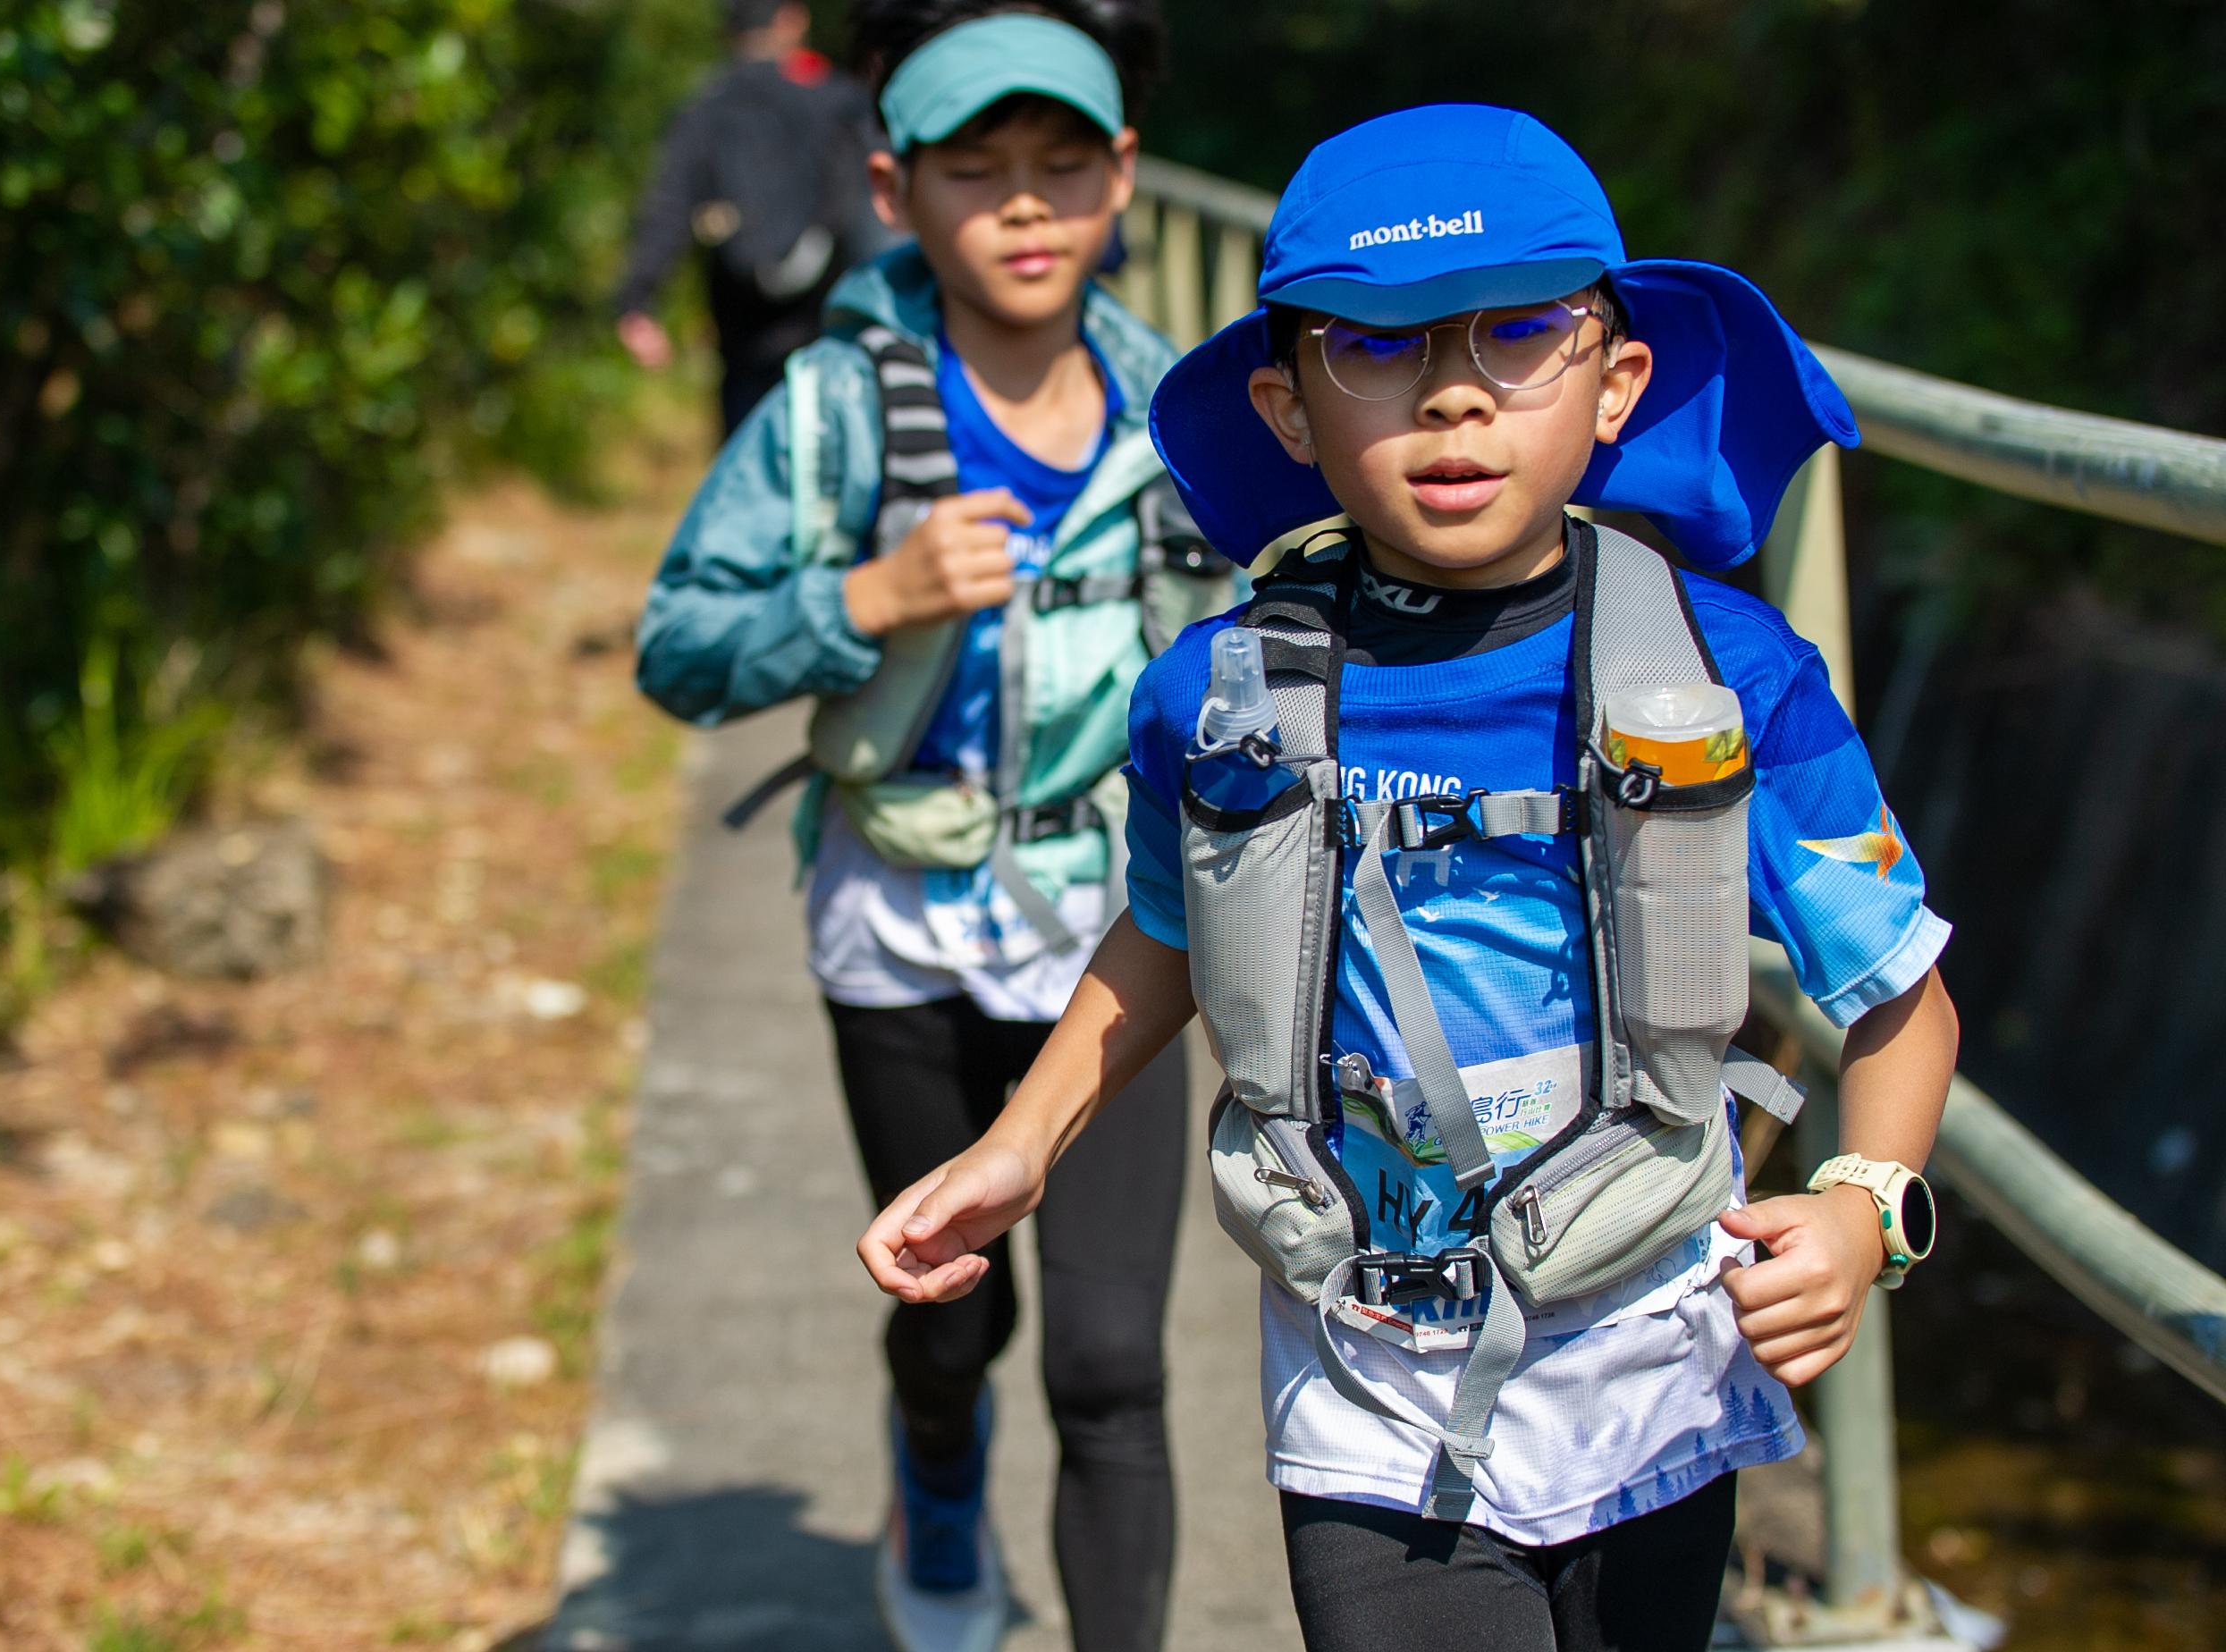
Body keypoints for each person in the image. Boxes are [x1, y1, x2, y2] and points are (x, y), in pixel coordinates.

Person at [857, 105, 1962, 1651]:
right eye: (1369, 348)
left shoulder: (1723, 675)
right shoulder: (1214, 693)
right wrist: (1020, 1141)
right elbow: (1169, 931)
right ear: (1285, 404)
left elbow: (1898, 998)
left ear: (1613, 376)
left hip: (1650, 1339)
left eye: (1519, 332)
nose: (1451, 393)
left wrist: (1860, 1207)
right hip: (1363, 1359)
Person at [636, 4, 1232, 1647]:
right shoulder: (833, 410)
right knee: (949, 1321)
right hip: (890, 917)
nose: (1025, 206)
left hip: (1114, 934)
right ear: (895, 192)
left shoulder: (1185, 414)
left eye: (1063, 165)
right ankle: (939, 1481)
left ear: (1122, 175)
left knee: (1111, 1362)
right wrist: (860, 597)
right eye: (979, 172)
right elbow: (676, 644)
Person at [615, 0, 886, 436]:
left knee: (746, 453)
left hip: (743, 327)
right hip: (828, 318)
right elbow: (874, 210)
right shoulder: (837, 101)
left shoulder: (707, 105)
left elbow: (668, 204)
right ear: (791, 20)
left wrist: (638, 301)